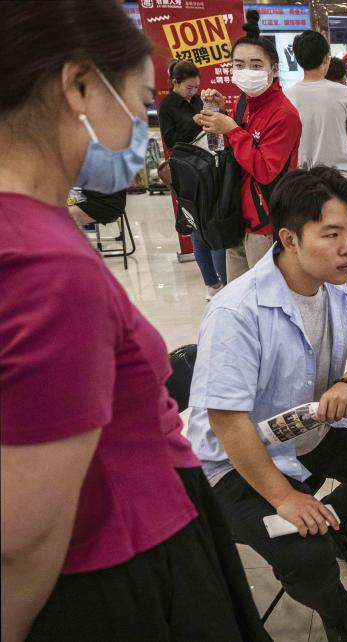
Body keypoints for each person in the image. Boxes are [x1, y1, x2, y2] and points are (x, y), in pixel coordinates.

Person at [0, 2, 268, 640]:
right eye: (139, 103)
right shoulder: (43, 263)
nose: (142, 127)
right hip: (116, 567)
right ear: (80, 86)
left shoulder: (32, 230)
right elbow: (24, 531)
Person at [185, 166, 347, 641]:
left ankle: (331, 522)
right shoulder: (237, 310)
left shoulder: (337, 283)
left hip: (303, 432)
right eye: (331, 234)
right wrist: (286, 498)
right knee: (304, 554)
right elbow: (229, 425)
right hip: (233, 461)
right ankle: (337, 613)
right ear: (290, 239)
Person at [197, 9, 301, 281]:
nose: (246, 72)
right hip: (237, 216)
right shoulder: (245, 102)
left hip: (266, 223)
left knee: (267, 300)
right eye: (239, 65)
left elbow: (267, 169)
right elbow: (233, 150)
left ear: (273, 70)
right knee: (239, 298)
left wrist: (231, 129)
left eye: (256, 65)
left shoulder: (284, 114)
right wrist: (220, 112)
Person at [158, 59, 227, 299]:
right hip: (186, 170)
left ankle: (224, 283)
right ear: (175, 83)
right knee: (197, 226)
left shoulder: (198, 101)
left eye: (196, 87)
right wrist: (193, 122)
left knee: (213, 224)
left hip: (208, 164)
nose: (193, 92)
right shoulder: (167, 106)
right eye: (189, 88)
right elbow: (171, 141)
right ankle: (213, 284)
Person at [286, 31, 347, 180]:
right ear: (326, 58)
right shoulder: (342, 92)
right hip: (339, 176)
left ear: (299, 60)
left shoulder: (287, 95)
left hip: (302, 177)